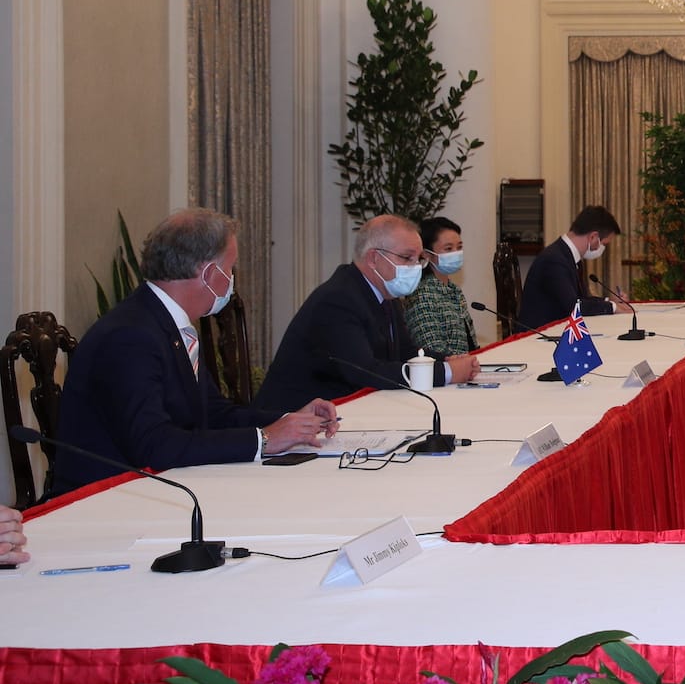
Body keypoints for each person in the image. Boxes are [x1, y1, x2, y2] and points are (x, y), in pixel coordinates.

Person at [49, 209, 339, 497]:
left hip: (155, 488)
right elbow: (154, 444)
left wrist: (290, 421)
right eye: (231, 268)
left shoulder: (165, 322)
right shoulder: (130, 336)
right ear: (211, 274)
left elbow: (213, 413)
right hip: (105, 500)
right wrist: (265, 439)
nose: (232, 278)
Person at [257, 214, 479, 411]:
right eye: (406, 257)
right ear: (374, 258)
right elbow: (366, 372)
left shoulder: (385, 293)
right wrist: (446, 372)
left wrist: (448, 360)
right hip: (291, 422)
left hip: (347, 412)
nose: (415, 267)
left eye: (418, 259)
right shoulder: (339, 299)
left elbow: (406, 352)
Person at [519, 206, 625, 330]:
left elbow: (581, 299)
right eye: (604, 244)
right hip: (539, 336)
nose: (602, 248)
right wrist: (612, 307)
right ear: (593, 237)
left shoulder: (568, 256)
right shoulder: (554, 260)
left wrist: (608, 300)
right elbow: (573, 306)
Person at [404, 216, 479, 359]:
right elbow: (433, 351)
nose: (456, 253)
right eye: (448, 248)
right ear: (427, 254)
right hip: (445, 373)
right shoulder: (421, 294)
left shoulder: (454, 290)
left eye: (459, 247)